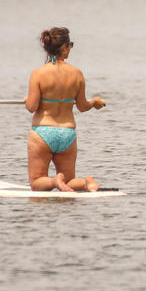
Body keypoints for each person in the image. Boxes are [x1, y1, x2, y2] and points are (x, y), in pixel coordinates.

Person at [25, 27, 106, 192]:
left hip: (43, 133)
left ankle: (54, 182)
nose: (70, 49)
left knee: (36, 182)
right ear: (63, 47)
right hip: (67, 133)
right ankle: (86, 183)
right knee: (69, 181)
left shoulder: (38, 74)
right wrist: (94, 102)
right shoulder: (77, 74)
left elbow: (32, 107)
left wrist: (28, 99)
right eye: (70, 45)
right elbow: (82, 106)